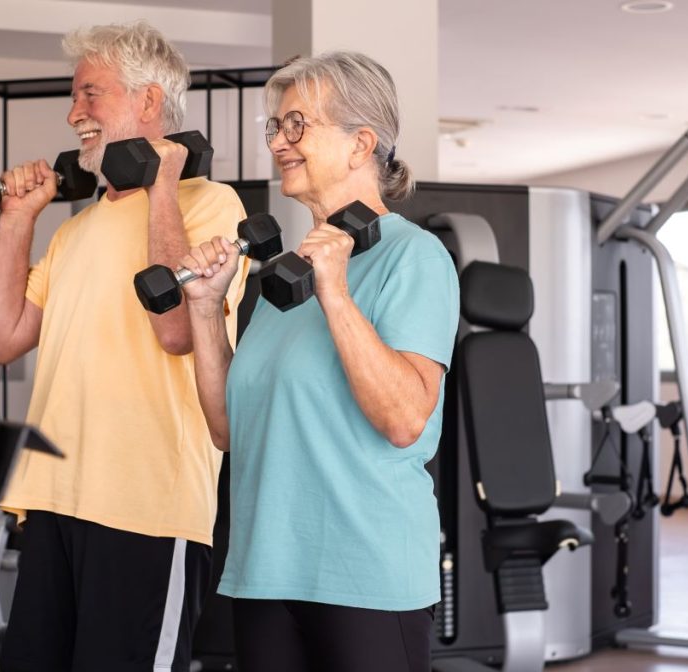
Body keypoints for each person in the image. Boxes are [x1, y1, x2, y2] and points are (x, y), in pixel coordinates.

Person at [0, 21, 250, 672]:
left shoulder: (212, 206)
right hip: (51, 497)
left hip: (145, 510)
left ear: (149, 103)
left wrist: (161, 185)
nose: (75, 114)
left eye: (91, 95)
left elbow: (177, 328)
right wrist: (19, 220)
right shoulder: (77, 231)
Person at [178, 52, 460, 672]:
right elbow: (229, 429)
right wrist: (204, 307)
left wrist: (336, 291)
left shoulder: (414, 258)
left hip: (365, 573)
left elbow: (405, 419)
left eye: (296, 125)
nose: (279, 141)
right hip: (267, 570)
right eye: (276, 127)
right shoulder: (289, 274)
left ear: (362, 142)